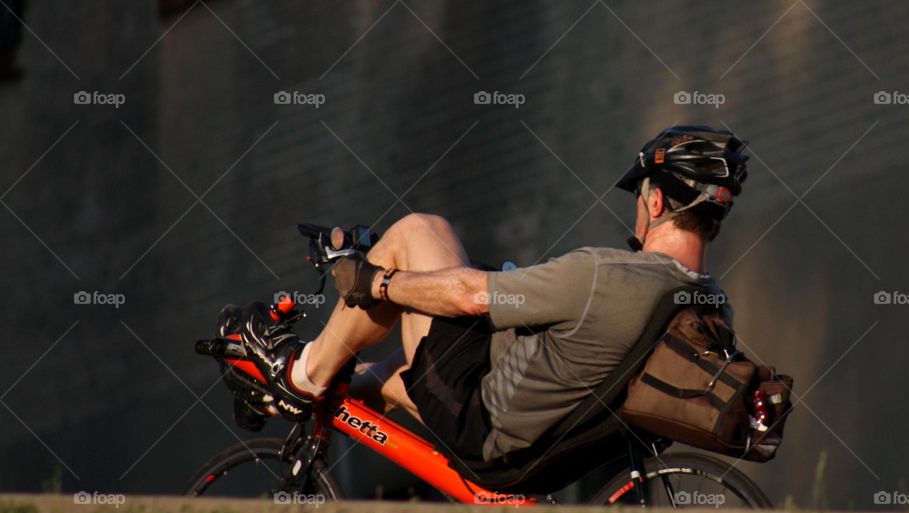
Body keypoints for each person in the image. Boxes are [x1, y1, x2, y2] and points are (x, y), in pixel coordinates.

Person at [227, 125, 749, 463]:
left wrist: (373, 281)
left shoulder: (609, 275)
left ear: (655, 200)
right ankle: (297, 391)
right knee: (395, 368)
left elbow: (474, 297)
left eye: (639, 197)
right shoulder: (709, 303)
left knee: (417, 232)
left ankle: (301, 375)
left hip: (486, 420)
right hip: (546, 444)